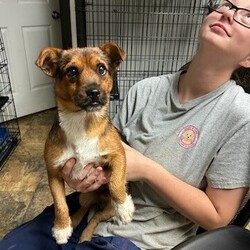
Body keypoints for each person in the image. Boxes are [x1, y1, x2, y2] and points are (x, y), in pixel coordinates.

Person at [1, 0, 250, 249]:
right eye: (225, 5)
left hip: (142, 238)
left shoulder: (242, 116)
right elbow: (105, 153)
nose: (228, 14)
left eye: (247, 15)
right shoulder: (145, 89)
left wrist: (146, 170)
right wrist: (81, 175)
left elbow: (218, 218)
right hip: (92, 208)